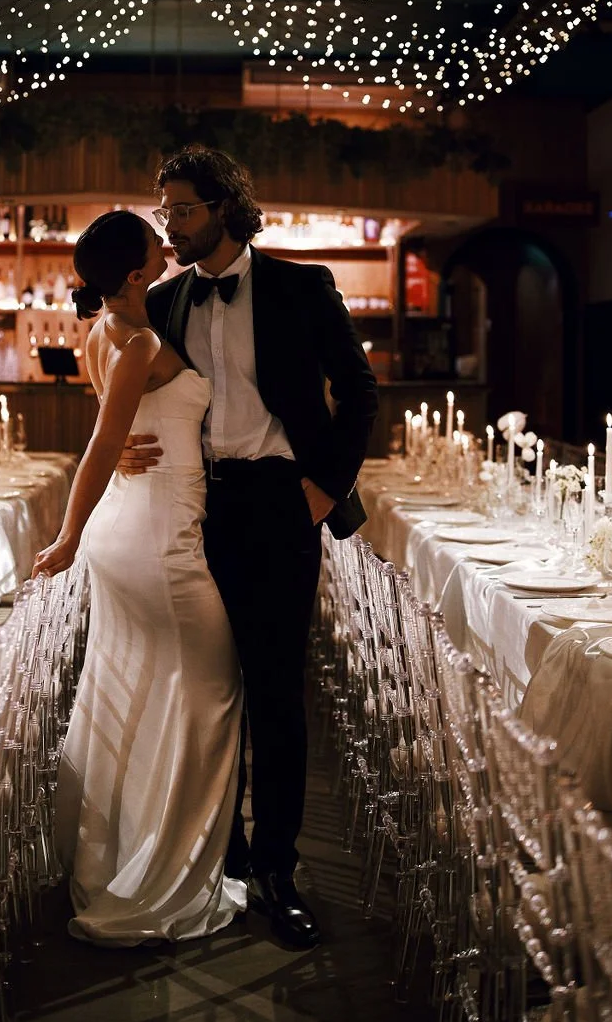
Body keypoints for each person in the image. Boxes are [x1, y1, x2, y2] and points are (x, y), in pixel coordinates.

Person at [120, 146, 378, 950]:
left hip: (279, 503)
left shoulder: (303, 288)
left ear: (225, 207)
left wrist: (325, 489)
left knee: (274, 692)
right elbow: (133, 393)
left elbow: (361, 391)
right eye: (165, 211)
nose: (170, 224)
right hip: (194, 510)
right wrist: (126, 445)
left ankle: (278, 868)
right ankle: (218, 855)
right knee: (207, 688)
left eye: (182, 210)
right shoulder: (163, 302)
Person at [32, 209, 247, 946]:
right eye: (157, 245)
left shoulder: (102, 330)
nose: (168, 247)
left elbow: (121, 432)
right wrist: (66, 535)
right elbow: (101, 445)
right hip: (156, 542)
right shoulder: (142, 339)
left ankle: (122, 851)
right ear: (133, 273)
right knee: (211, 693)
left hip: (137, 525)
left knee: (138, 690)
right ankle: (166, 877)